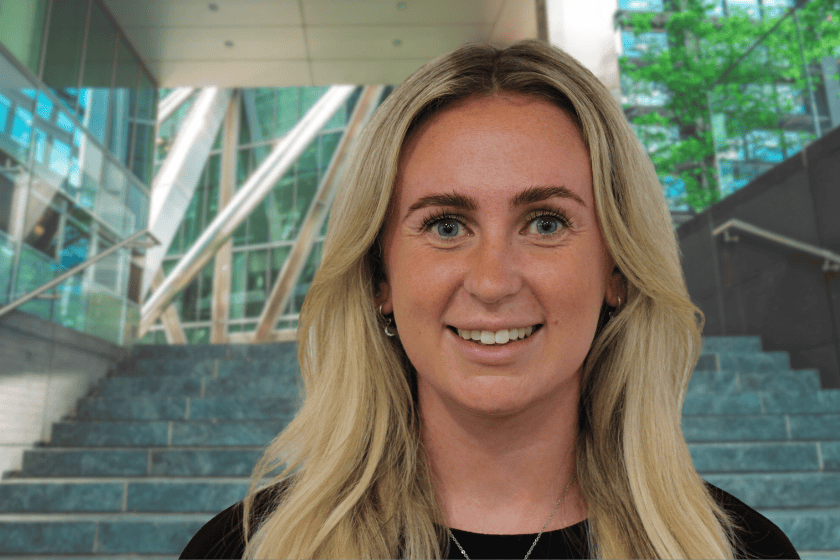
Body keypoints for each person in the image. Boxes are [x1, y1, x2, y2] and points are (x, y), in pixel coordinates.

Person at [181, 40, 799, 559]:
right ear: (380, 280)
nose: (493, 281)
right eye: (447, 225)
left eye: (547, 223)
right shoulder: (244, 549)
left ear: (618, 272)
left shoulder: (744, 550)